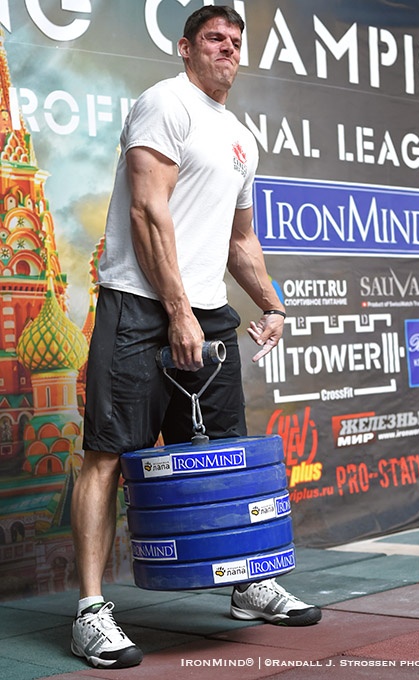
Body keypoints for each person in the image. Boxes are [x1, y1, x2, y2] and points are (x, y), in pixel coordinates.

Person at [70, 4, 322, 670]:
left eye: (237, 41)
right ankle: (91, 612)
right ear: (185, 48)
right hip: (140, 304)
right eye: (215, 38)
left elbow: (239, 239)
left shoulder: (241, 136)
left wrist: (273, 303)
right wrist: (176, 310)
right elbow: (147, 211)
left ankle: (246, 582)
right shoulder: (165, 104)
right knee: (108, 453)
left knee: (223, 457)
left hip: (206, 312)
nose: (228, 49)